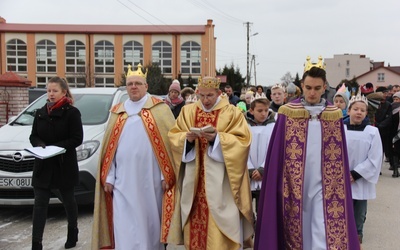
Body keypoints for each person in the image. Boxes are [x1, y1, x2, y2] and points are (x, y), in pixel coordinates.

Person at [255, 64, 360, 249]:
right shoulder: (287, 112)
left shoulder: (333, 114)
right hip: (293, 182)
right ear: (302, 86)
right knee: (298, 224)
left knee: (322, 226)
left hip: (325, 183)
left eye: (317, 88)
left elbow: (340, 155)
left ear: (325, 87)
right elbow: (277, 152)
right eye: (308, 88)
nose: (312, 93)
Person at [91, 64, 176, 250]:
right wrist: (110, 177)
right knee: (123, 225)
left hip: (151, 181)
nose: (134, 87)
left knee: (150, 224)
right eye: (130, 84)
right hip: (123, 182)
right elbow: (109, 151)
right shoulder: (117, 112)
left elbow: (169, 147)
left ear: (146, 86)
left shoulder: (160, 109)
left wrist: (165, 175)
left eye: (138, 83)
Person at [167, 76, 254, 249]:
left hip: (222, 183)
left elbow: (243, 142)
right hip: (195, 183)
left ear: (219, 93)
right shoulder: (188, 111)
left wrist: (218, 140)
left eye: (210, 96)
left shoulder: (232, 112)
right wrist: (188, 140)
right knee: (195, 230)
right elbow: (174, 136)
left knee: (218, 231)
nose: (205, 100)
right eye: (202, 96)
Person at [30, 77, 83, 250]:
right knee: (39, 205)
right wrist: (39, 145)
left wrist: (56, 147)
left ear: (64, 92)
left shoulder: (72, 113)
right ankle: (36, 242)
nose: (51, 94)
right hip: (43, 166)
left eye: (55, 91)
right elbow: (33, 136)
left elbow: (76, 139)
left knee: (68, 201)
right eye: (48, 90)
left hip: (63, 166)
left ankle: (72, 231)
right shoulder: (40, 112)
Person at [344, 92, 383, 244]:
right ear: (348, 111)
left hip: (360, 179)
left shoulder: (372, 132)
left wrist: (355, 174)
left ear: (366, 113)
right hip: (342, 176)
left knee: (359, 210)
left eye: (362, 110)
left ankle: (358, 233)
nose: (359, 112)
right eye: (355, 109)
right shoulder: (341, 129)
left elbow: (375, 157)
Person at [244, 93, 275, 219]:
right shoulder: (243, 126)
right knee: (247, 212)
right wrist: (250, 170)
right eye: (260, 110)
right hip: (248, 175)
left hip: (266, 175)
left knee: (264, 213)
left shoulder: (274, 126)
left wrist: (263, 169)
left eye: (266, 110)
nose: (264, 114)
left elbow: (274, 149)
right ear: (251, 110)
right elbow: (241, 149)